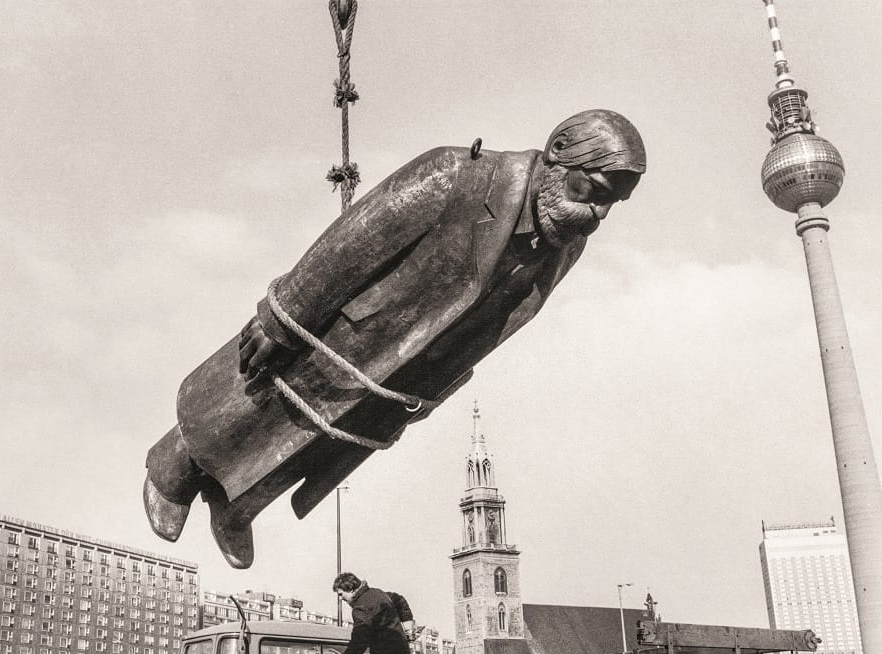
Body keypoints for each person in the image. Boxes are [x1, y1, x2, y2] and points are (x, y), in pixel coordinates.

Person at [144, 110, 646, 568]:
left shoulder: (564, 247)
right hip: (350, 329)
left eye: (613, 204)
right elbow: (348, 244)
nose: (600, 213)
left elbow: (496, 327)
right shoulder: (456, 174)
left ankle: (237, 507)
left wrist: (430, 393)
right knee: (253, 406)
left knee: (317, 442)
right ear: (559, 151)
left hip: (408, 370)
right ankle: (172, 475)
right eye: (596, 191)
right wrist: (283, 317)